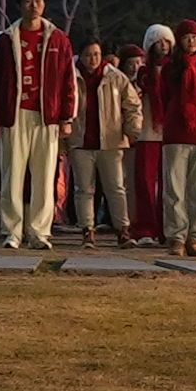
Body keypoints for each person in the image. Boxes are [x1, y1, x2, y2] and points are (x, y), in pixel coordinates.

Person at [0, 0, 77, 252]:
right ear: (19, 5)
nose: (34, 5)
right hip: (14, 115)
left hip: (47, 117)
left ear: (44, 5)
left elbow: (68, 80)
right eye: (28, 0)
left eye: (38, 0)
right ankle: (12, 231)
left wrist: (66, 117)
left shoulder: (58, 38)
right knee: (12, 174)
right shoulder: (7, 39)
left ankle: (39, 231)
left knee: (44, 176)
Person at [155, 19, 196, 256]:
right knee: (174, 189)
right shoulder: (170, 69)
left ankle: (195, 237)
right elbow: (163, 97)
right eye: (186, 37)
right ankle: (176, 236)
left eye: (195, 37)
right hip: (176, 131)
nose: (191, 41)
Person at [68, 38, 143, 246]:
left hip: (111, 140)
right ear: (80, 56)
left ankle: (122, 229)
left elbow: (132, 105)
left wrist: (133, 129)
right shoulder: (71, 76)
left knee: (116, 187)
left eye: (96, 55)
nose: (92, 59)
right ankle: (87, 229)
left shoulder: (115, 77)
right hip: (81, 140)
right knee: (83, 189)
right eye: (88, 55)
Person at [129, 26, 172, 246]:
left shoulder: (175, 69)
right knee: (145, 183)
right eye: (158, 42)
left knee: (169, 184)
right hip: (147, 131)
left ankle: (167, 228)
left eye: (166, 41)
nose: (163, 46)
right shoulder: (144, 72)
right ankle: (146, 227)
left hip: (170, 132)